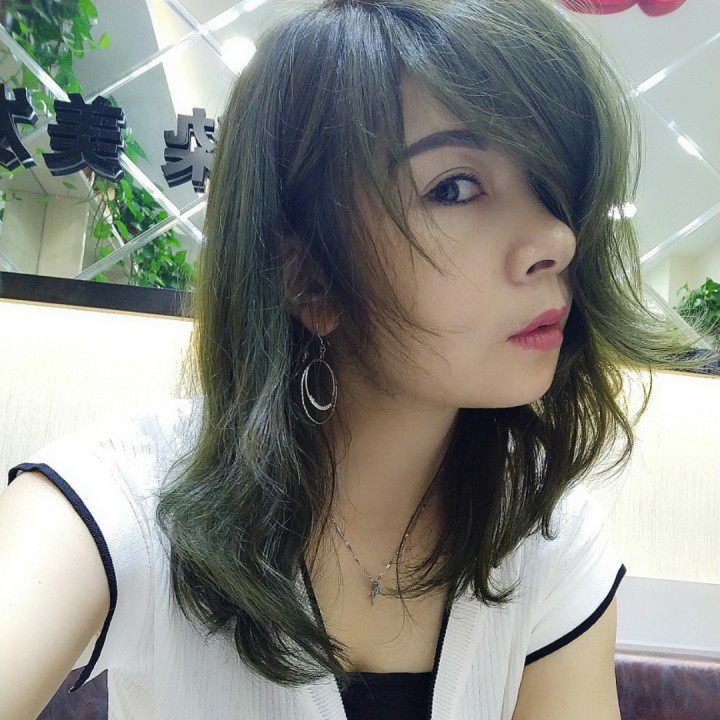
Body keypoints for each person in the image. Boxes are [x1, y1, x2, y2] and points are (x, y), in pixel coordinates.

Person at [0, 0, 702, 718]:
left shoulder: (543, 537)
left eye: (550, 187)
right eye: (455, 188)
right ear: (311, 278)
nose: (556, 237)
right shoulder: (125, 502)